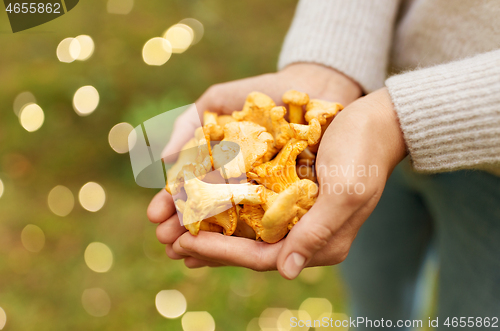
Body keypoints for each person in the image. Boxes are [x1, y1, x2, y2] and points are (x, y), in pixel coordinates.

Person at [148, 0, 500, 325]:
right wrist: (328, 67)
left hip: (488, 166)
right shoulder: (324, 144)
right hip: (356, 131)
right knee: (373, 289)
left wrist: (397, 120)